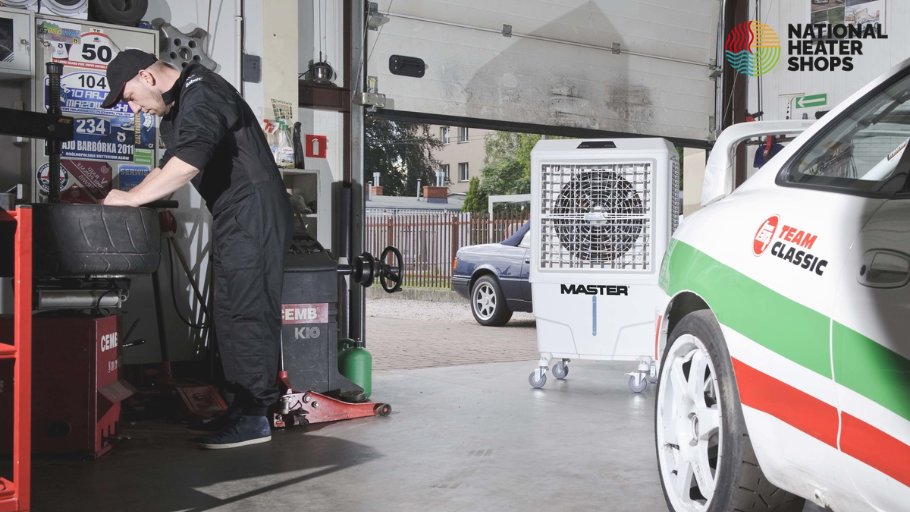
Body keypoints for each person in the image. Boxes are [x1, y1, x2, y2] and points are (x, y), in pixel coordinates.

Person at [100, 49, 291, 449]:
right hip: (236, 213)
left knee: (246, 308)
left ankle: (255, 417)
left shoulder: (202, 92)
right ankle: (241, 409)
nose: (134, 110)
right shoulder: (185, 100)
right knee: (230, 308)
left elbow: (187, 162)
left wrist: (132, 200)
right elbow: (171, 161)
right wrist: (133, 194)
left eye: (130, 97)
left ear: (147, 77)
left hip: (251, 212)